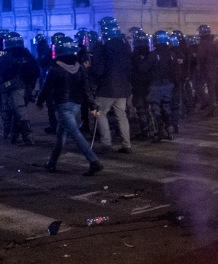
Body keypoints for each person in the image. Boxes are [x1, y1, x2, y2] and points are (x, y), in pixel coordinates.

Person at [36, 37, 103, 176]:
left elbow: (46, 87)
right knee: (61, 135)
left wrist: (39, 102)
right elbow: (86, 89)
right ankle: (52, 163)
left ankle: (94, 161)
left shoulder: (54, 67)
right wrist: (93, 106)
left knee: (75, 134)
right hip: (76, 105)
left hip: (62, 105)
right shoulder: (80, 67)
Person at [93, 26, 133, 153]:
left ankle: (106, 142)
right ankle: (126, 144)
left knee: (100, 113)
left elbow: (98, 70)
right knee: (122, 116)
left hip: (106, 88)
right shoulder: (126, 50)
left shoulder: (104, 49)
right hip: (122, 88)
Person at [0, 32, 39, 144]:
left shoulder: (5, 58)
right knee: (20, 111)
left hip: (13, 88)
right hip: (28, 88)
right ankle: (15, 135)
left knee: (19, 112)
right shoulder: (28, 55)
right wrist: (31, 84)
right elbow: (36, 71)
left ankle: (28, 136)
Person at [140, 30, 178, 142]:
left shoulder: (154, 54)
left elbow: (143, 68)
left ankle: (159, 131)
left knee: (154, 109)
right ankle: (170, 131)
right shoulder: (172, 54)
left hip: (156, 85)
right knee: (166, 107)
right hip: (169, 85)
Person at [130, 31, 152, 140]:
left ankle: (144, 131)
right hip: (149, 84)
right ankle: (151, 128)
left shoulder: (134, 54)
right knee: (149, 108)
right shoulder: (150, 53)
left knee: (140, 108)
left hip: (138, 85)